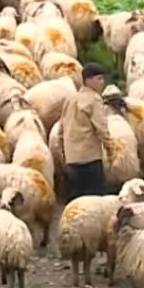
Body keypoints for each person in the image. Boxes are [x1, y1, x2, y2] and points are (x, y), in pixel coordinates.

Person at [60, 62, 113, 200]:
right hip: (90, 159)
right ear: (88, 80)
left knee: (78, 200)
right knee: (96, 200)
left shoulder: (71, 98)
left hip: (72, 159)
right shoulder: (94, 100)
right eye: (99, 79)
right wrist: (110, 149)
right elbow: (101, 128)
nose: (102, 83)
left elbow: (61, 128)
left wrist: (63, 153)